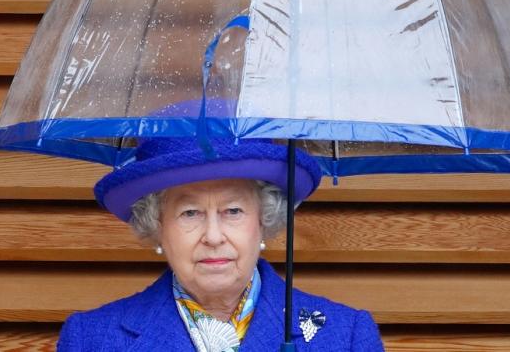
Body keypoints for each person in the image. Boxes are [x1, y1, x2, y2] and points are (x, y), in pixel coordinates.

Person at [57, 136, 385, 351]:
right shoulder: (91, 340)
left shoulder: (346, 337)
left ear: (263, 219)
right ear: (157, 224)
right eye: (190, 213)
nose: (213, 236)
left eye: (233, 211)